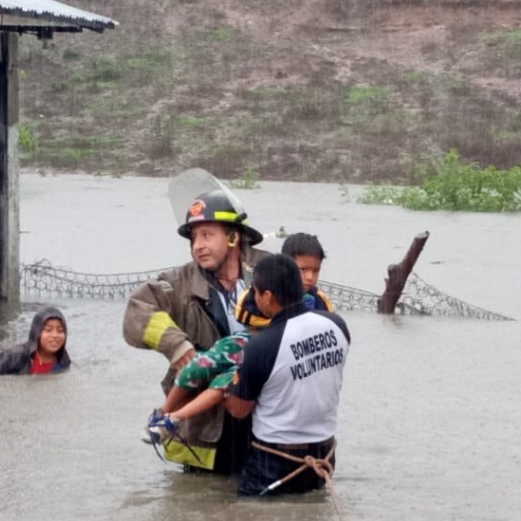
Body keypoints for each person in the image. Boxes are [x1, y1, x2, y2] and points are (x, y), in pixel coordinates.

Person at [124, 185, 268, 474]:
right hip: (205, 432)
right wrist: (177, 346)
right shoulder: (178, 284)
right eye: (193, 237)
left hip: (264, 420)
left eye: (207, 235)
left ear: (232, 236)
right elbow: (136, 313)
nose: (197, 245)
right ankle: (163, 420)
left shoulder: (269, 271)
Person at [224, 254, 351, 497]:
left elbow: (239, 410)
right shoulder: (338, 325)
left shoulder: (262, 346)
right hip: (324, 455)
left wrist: (221, 386)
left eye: (256, 292)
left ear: (268, 296)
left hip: (273, 462)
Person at [143, 286, 272, 467]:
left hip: (256, 356)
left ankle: (172, 419)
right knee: (194, 369)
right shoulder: (240, 334)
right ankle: (163, 413)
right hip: (240, 343)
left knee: (222, 386)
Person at [0, 307, 71, 375]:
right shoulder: (14, 356)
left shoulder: (63, 358)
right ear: (37, 332)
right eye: (48, 330)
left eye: (60, 331)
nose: (55, 335)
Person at [281, 232, 335, 312]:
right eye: (302, 269)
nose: (310, 277)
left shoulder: (322, 302)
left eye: (316, 270)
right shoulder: (268, 299)